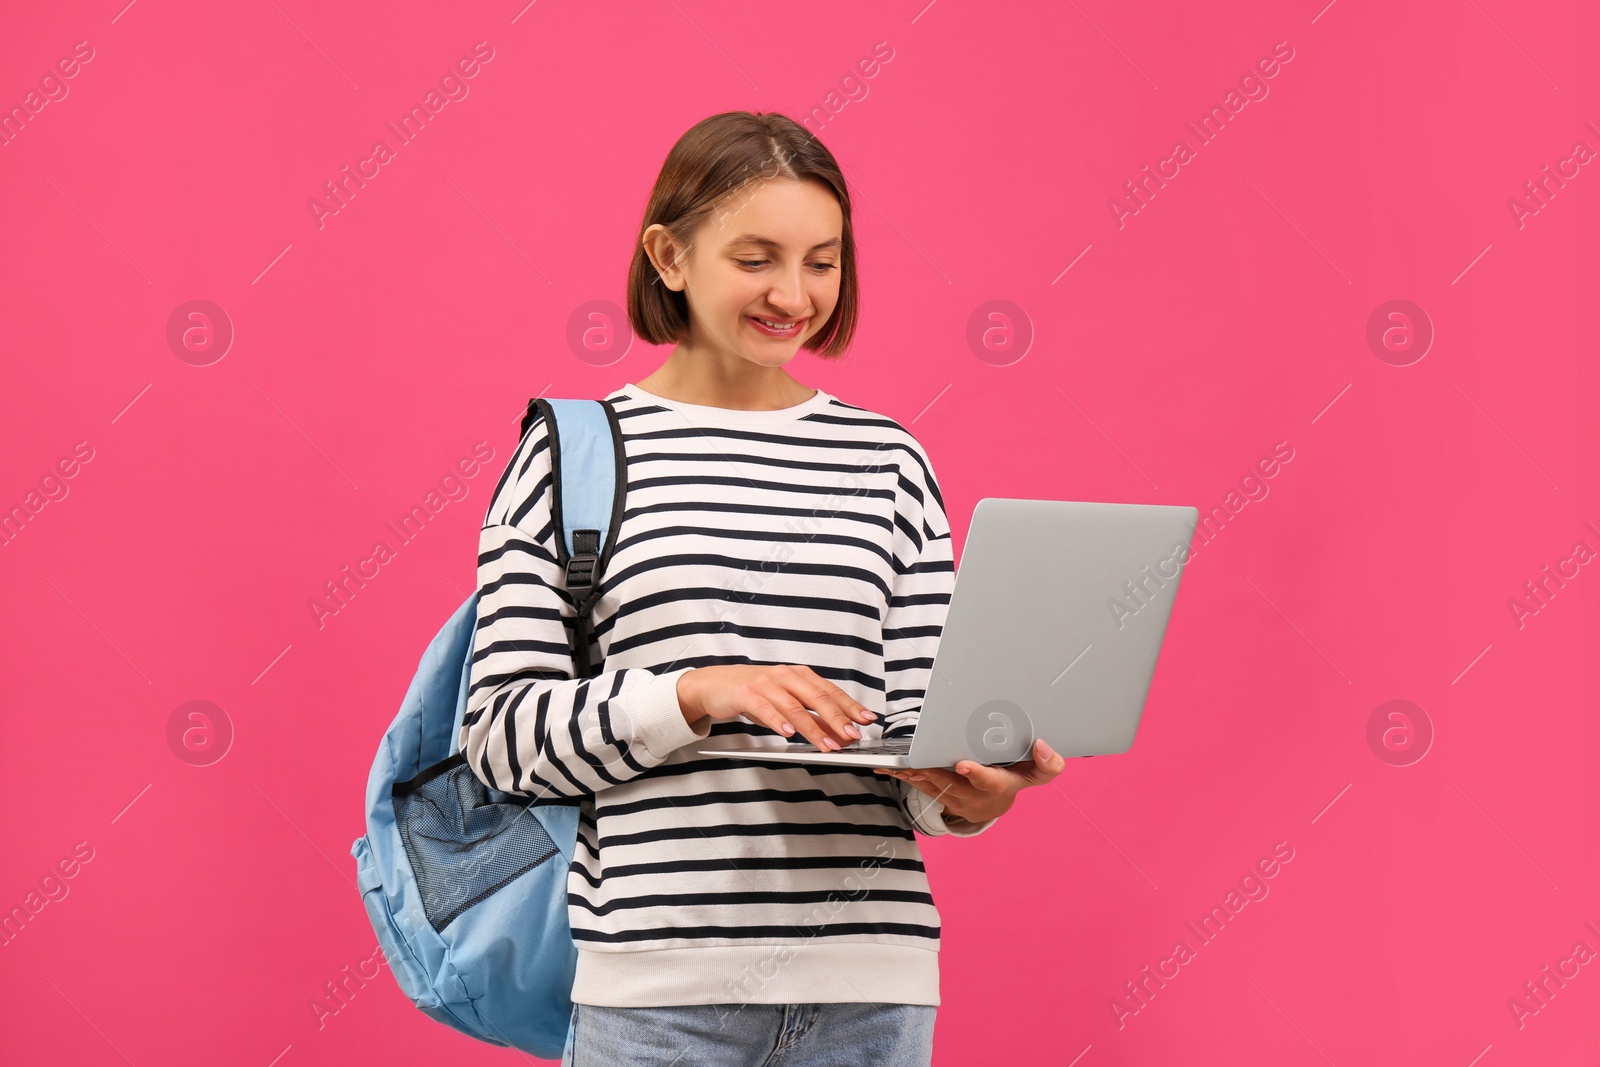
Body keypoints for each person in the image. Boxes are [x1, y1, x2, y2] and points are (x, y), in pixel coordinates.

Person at [460, 110, 1066, 1067]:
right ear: (669, 254)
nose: (794, 294)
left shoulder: (888, 462)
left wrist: (975, 793)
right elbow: (502, 741)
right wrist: (701, 690)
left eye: (822, 261)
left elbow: (915, 744)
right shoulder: (575, 456)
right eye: (757, 258)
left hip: (871, 991)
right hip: (660, 998)